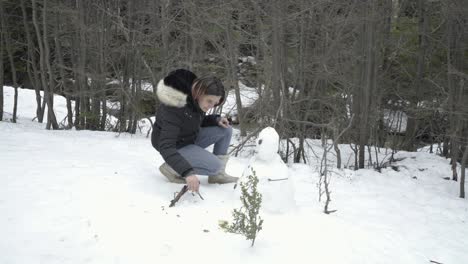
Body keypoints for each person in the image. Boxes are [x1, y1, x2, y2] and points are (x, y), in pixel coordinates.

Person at [151, 69, 238, 193]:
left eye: (215, 103)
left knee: (225, 130)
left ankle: (217, 176)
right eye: (209, 101)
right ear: (200, 92)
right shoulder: (174, 106)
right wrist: (187, 172)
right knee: (215, 166)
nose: (211, 106)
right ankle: (172, 168)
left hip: (188, 137)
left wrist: (216, 120)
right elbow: (166, 146)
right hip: (174, 145)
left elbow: (193, 121)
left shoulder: (196, 100)